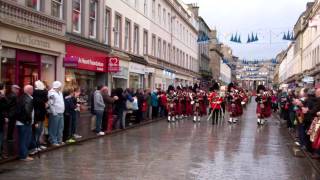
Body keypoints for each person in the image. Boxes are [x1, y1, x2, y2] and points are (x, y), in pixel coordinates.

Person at [16, 85, 34, 161]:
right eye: (32, 89)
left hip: (23, 121)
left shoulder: (23, 97)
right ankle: (24, 156)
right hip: (24, 122)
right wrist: (28, 121)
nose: (33, 91)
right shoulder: (27, 98)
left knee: (25, 139)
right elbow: (27, 111)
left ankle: (23, 154)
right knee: (24, 139)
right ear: (29, 90)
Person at [30, 80, 48, 153]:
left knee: (36, 131)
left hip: (36, 115)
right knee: (39, 130)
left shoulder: (34, 94)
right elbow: (45, 103)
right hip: (41, 114)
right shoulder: (43, 94)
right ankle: (38, 145)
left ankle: (37, 145)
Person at [48, 81, 65, 146]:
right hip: (55, 113)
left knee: (60, 127)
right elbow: (51, 103)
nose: (61, 87)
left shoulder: (60, 93)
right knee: (54, 128)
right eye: (60, 86)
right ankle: (53, 141)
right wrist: (54, 112)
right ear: (57, 86)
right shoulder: (51, 93)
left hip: (61, 112)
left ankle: (59, 140)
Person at [0, 83, 8, 160]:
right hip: (1, 120)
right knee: (1, 137)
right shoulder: (1, 97)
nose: (5, 89)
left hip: (2, 120)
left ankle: (2, 153)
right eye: (4, 88)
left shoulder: (3, 97)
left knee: (2, 138)